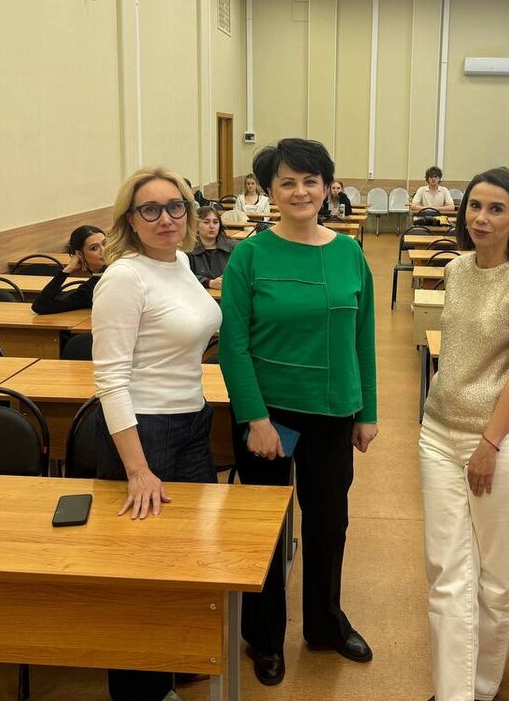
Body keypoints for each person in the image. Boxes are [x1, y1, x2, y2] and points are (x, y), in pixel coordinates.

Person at [219, 138, 378, 687]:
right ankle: (264, 637)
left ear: (327, 187)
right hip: (270, 415)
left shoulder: (349, 253)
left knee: (329, 523)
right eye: (287, 182)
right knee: (265, 526)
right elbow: (234, 344)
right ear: (270, 191)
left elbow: (363, 338)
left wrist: (367, 411)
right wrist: (255, 418)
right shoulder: (250, 255)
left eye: (310, 180)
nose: (300, 191)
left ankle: (325, 624)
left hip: (333, 413)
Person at [91, 167, 222, 701]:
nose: (165, 218)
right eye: (150, 209)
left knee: (188, 552)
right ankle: (136, 690)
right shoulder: (124, 278)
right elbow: (110, 379)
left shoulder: (183, 264)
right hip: (146, 431)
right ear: (130, 219)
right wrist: (138, 468)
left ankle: (167, 663)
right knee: (140, 567)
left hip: (192, 421)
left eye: (175, 206)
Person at [420, 167, 509, 701]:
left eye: (496, 209)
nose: (482, 218)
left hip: (496, 441)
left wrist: (488, 445)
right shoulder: (455, 270)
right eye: (475, 206)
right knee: (446, 573)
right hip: (438, 433)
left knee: (497, 579)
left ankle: (481, 687)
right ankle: (453, 693)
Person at [30, 225, 105, 314]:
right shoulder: (89, 290)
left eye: (105, 243)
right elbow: (41, 306)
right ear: (79, 254)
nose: (104, 250)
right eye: (94, 248)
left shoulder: (119, 269)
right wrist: (67, 270)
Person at [189, 205, 236, 289]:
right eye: (206, 222)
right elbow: (182, 275)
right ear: (196, 226)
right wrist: (209, 283)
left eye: (215, 222)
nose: (212, 226)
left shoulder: (234, 247)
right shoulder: (187, 250)